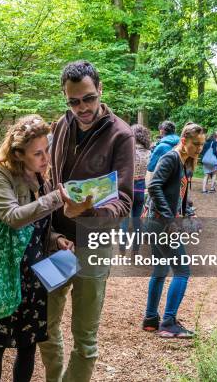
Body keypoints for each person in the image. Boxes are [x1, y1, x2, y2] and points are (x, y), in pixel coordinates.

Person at [40, 61, 134, 382]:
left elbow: (124, 202)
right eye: (74, 101)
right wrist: (51, 233)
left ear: (100, 90)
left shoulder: (121, 135)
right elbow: (51, 180)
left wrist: (89, 212)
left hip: (94, 245)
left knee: (85, 338)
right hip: (58, 245)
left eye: (89, 99)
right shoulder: (62, 124)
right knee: (46, 324)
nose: (82, 108)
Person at [0, 114, 78, 382]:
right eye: (37, 154)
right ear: (18, 153)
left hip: (34, 274)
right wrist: (55, 198)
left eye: (46, 151)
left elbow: (39, 225)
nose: (45, 158)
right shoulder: (0, 175)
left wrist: (55, 239)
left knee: (28, 344)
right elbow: (14, 217)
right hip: (4, 274)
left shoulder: (40, 177)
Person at [142, 122, 205, 338]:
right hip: (160, 224)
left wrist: (191, 212)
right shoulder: (171, 158)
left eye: (202, 145)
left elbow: (181, 193)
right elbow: (154, 186)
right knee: (182, 270)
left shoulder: (186, 162)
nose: (199, 148)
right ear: (184, 140)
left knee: (160, 271)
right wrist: (170, 220)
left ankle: (151, 319)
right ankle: (168, 323)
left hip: (161, 223)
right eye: (195, 144)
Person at [121, 124, 151, 254]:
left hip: (128, 188)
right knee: (137, 220)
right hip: (141, 189)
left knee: (124, 219)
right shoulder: (149, 153)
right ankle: (135, 250)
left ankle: (122, 248)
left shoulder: (128, 151)